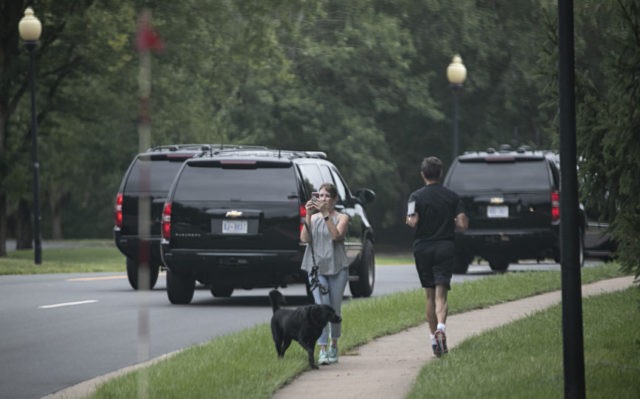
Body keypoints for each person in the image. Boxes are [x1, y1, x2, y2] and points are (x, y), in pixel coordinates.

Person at [405, 156, 468, 357]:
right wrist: (451, 221)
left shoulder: (415, 196)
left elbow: (412, 221)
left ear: (423, 174)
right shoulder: (452, 197)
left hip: (423, 248)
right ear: (440, 174)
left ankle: (434, 339)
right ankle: (442, 326)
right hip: (445, 247)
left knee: (429, 295)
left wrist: (410, 218)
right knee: (442, 294)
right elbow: (463, 224)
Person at [300, 182, 350, 365]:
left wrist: (326, 215)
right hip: (316, 267)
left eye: (327, 196)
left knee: (334, 309)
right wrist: (308, 216)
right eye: (320, 196)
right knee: (320, 308)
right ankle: (322, 348)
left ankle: (334, 345)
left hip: (337, 268)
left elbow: (337, 236)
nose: (323, 199)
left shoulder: (342, 217)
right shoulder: (313, 219)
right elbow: (304, 239)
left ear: (335, 199)